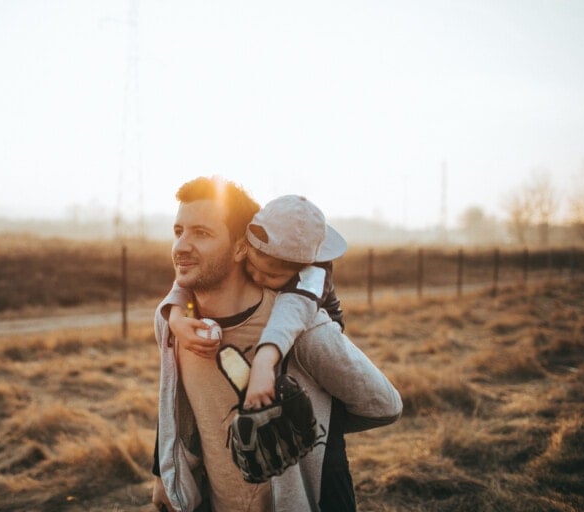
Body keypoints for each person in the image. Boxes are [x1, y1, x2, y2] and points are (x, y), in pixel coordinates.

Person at [152, 176, 402, 512]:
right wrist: (163, 477)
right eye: (178, 230)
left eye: (202, 233)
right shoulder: (175, 323)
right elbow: (175, 405)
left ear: (242, 246)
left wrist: (308, 429)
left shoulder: (303, 329)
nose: (181, 246)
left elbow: (385, 406)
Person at [166, 194, 347, 411]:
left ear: (299, 270)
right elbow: (195, 271)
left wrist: (264, 362)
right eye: (252, 267)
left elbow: (291, 312)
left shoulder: (312, 276)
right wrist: (175, 316)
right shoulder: (262, 243)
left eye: (270, 276)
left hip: (315, 339)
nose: (258, 279)